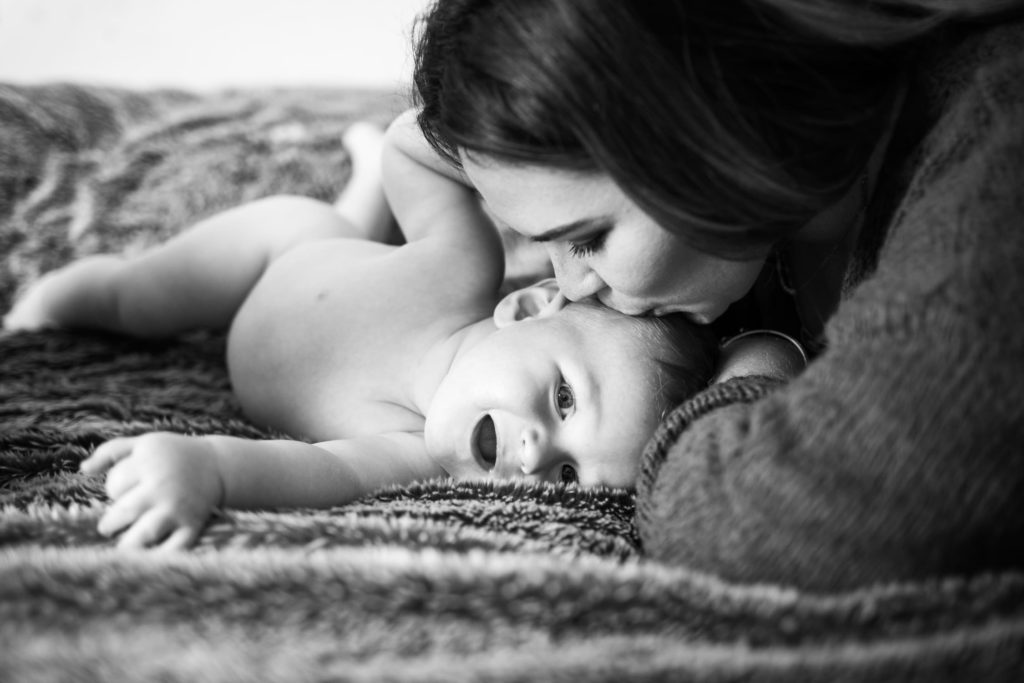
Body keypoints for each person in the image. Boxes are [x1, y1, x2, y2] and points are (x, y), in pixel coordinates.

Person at [394, 0, 1024, 589]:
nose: (571, 284)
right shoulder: (755, 225)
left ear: (706, 131)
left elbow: (757, 521)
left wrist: (755, 365)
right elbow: (420, 140)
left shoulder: (987, 196)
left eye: (586, 240)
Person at [2, 123, 716, 550]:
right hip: (283, 252)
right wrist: (518, 156)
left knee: (350, 223)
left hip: (278, 312)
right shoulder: (461, 266)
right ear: (528, 308)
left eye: (568, 477)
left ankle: (359, 191)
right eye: (564, 398)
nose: (535, 454)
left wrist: (205, 465)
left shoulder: (410, 452)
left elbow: (313, 473)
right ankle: (56, 297)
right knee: (137, 298)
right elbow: (421, 152)